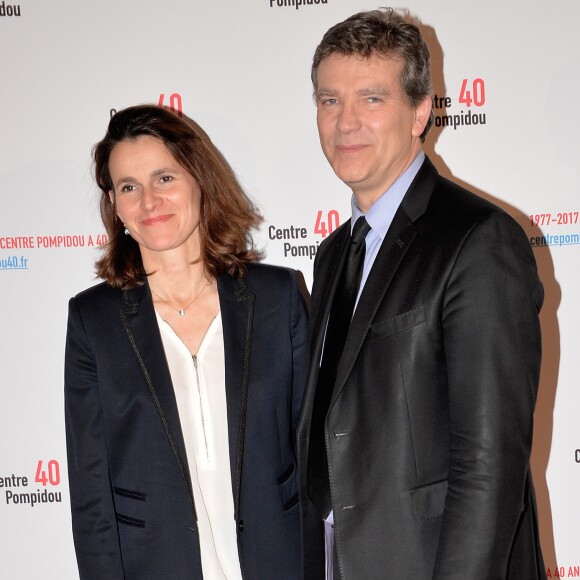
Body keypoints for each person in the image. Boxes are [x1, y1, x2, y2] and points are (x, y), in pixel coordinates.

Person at [296, 8, 545, 580]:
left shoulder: (478, 240)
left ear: (420, 111)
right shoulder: (335, 253)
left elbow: (490, 466)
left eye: (371, 99)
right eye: (329, 100)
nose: (346, 122)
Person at [65, 104, 309, 579]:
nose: (148, 202)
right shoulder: (93, 320)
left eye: (164, 178)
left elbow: (315, 456)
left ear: (199, 180)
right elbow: (90, 495)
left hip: (278, 563)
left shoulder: (278, 297)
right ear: (114, 204)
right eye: (128, 187)